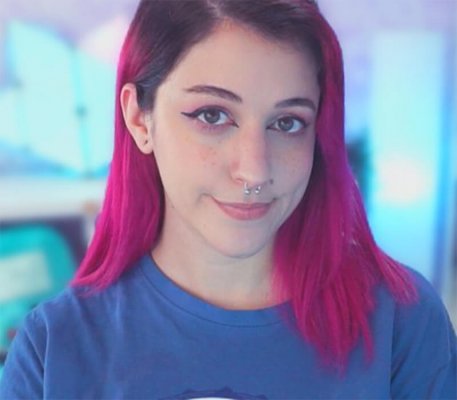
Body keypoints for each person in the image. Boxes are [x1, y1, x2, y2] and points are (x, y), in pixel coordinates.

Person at [1, 0, 456, 398]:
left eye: (287, 122)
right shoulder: (53, 351)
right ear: (139, 119)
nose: (254, 170)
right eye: (212, 115)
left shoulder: (402, 324)